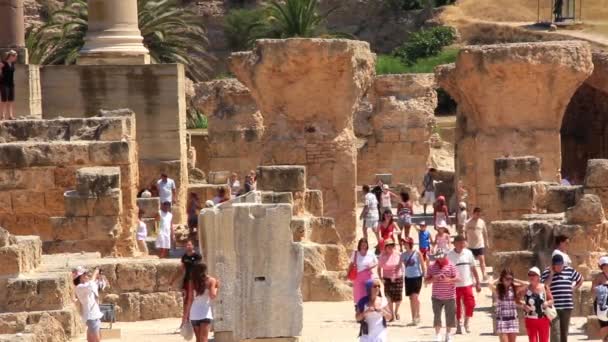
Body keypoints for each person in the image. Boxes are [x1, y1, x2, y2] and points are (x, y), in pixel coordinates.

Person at [541, 254, 582, 342]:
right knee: (555, 331)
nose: (560, 266)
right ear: (553, 265)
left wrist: (574, 288)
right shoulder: (547, 272)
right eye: (557, 265)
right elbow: (544, 286)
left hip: (567, 306)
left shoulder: (570, 270)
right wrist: (551, 274)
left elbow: (580, 279)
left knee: (564, 332)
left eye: (561, 264)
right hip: (553, 307)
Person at [448, 235, 481, 334]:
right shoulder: (449, 255)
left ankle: (467, 322)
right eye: (460, 243)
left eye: (464, 243)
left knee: (470, 304)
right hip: (455, 285)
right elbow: (447, 270)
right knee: (457, 306)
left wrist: (478, 282)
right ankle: (459, 325)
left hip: (467, 283)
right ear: (455, 243)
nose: (462, 245)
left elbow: (473, 268)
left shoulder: (468, 253)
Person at [426, 248, 460, 342]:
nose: (439, 260)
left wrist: (448, 280)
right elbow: (426, 281)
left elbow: (458, 279)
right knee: (437, 316)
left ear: (445, 256)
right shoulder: (432, 267)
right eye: (438, 258)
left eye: (441, 257)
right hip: (436, 296)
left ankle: (448, 335)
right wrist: (434, 279)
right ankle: (437, 335)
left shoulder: (451, 266)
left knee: (450, 316)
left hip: (450, 296)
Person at [171, 240, 203, 329]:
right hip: (187, 281)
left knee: (194, 300)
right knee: (187, 301)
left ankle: (193, 321)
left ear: (193, 246)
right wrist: (173, 280)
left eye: (189, 245)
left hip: (195, 281)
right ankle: (184, 322)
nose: (188, 246)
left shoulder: (197, 256)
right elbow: (181, 269)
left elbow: (200, 269)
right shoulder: (184, 257)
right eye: (186, 245)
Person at [519, 266, 553, 342]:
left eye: (533, 275)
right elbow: (516, 299)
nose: (531, 277)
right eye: (530, 275)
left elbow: (551, 300)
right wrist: (523, 305)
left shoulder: (544, 287)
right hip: (530, 320)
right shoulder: (526, 288)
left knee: (544, 340)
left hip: (543, 320)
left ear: (538, 276)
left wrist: (547, 303)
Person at [187, 262, 219, 342]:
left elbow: (190, 298)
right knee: (204, 338)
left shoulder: (192, 281)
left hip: (194, 312)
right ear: (205, 270)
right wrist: (216, 287)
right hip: (205, 312)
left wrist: (187, 315)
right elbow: (213, 296)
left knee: (198, 339)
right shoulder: (211, 280)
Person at [491, 269, 524, 342]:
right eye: (507, 279)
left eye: (510, 279)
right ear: (502, 279)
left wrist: (515, 280)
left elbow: (527, 284)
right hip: (502, 320)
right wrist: (498, 279)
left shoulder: (514, 288)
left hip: (512, 319)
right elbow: (489, 284)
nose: (509, 281)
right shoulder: (498, 289)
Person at [73, 267, 104, 342]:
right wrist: (95, 273)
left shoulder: (85, 285)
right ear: (80, 277)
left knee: (94, 338)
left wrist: (99, 276)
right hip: (91, 316)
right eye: (85, 274)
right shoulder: (80, 287)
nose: (87, 275)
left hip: (93, 316)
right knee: (96, 340)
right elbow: (91, 284)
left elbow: (100, 285)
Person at [401, 237, 426, 326]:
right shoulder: (403, 255)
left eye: (406, 243)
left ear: (410, 244)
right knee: (411, 298)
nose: (404, 245)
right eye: (404, 243)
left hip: (417, 277)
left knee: (415, 297)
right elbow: (399, 265)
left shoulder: (417, 253)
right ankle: (414, 317)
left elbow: (422, 264)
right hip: (408, 277)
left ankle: (417, 317)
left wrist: (425, 275)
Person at [378, 238, 403, 321]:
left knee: (398, 297)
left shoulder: (398, 254)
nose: (390, 247)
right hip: (387, 278)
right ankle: (392, 315)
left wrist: (395, 274)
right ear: (385, 247)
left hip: (398, 277)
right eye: (388, 246)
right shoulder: (382, 256)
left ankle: (396, 312)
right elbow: (379, 268)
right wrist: (381, 278)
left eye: (392, 245)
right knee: (389, 297)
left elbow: (400, 265)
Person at [464, 207, 489, 281]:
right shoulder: (467, 222)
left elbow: (485, 233)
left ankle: (484, 274)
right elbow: (464, 232)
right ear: (473, 213)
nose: (478, 215)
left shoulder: (482, 222)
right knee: (471, 262)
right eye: (477, 214)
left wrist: (486, 242)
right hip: (470, 245)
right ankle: (471, 277)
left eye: (479, 214)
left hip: (479, 244)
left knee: (482, 260)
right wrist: (464, 241)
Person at [351, 238, 378, 304]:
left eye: (365, 244)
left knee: (369, 292)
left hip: (368, 275)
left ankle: (369, 308)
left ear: (367, 245)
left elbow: (376, 262)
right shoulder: (355, 253)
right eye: (362, 244)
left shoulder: (370, 253)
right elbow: (351, 263)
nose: (363, 246)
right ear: (359, 245)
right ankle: (359, 309)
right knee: (359, 294)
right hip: (358, 275)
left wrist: (371, 267)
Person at [592, 256, 608, 340]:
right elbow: (593, 289)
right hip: (601, 304)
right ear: (602, 266)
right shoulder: (599, 277)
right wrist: (603, 287)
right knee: (604, 325)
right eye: (605, 265)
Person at [0, 50, 18, 120]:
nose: (16, 58)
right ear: (11, 56)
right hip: (4, 83)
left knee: (11, 100)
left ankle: (10, 116)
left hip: (11, 84)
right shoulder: (3, 63)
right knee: (4, 100)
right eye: (15, 56)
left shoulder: (13, 64)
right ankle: (2, 116)